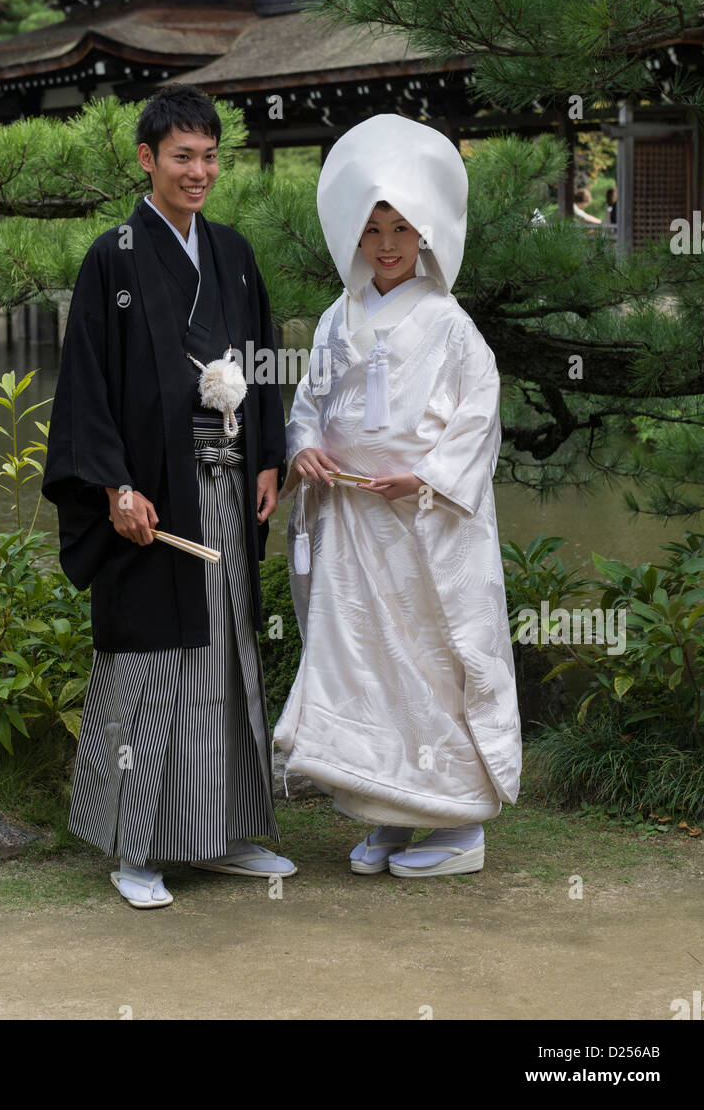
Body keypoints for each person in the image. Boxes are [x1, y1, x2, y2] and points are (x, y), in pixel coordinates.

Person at [42, 84, 295, 909]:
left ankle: (219, 834)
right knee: (151, 663)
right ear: (146, 159)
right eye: (182, 156)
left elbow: (256, 361)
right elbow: (84, 384)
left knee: (225, 654)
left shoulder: (233, 251)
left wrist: (266, 458)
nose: (199, 171)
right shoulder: (111, 255)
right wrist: (113, 485)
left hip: (222, 487)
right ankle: (135, 847)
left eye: (210, 156)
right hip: (151, 500)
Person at [274, 114, 522, 878]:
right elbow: (309, 404)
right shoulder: (332, 319)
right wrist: (304, 446)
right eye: (373, 226)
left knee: (432, 661)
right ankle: (382, 810)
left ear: (425, 236)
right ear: (354, 234)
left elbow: (479, 414)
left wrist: (429, 476)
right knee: (360, 665)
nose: (386, 243)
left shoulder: (451, 325)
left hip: (422, 523)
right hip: (351, 519)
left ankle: (454, 823)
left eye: (402, 227)